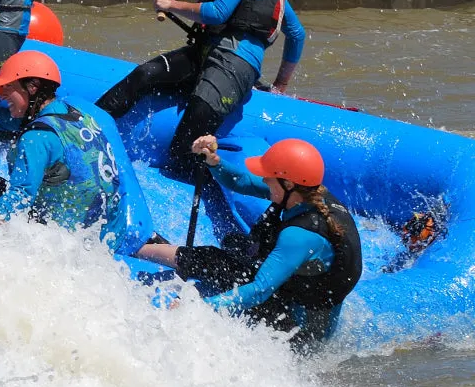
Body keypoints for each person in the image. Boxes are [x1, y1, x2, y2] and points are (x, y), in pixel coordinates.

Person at [96, 0, 305, 179]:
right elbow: (297, 33)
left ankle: (87, 132)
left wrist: (172, 5)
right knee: (145, 75)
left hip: (233, 65)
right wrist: (280, 85)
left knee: (184, 149)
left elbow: (218, 13)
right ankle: (89, 125)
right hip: (207, 55)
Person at [136, 135, 362, 349]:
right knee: (235, 244)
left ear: (289, 184)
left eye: (269, 177)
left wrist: (198, 307)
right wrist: (215, 162)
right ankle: (142, 249)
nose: (264, 180)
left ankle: (139, 248)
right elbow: (243, 182)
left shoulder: (299, 236)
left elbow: (258, 290)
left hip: (302, 326)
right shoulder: (306, 193)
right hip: (300, 285)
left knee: (217, 261)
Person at [0, 51, 128, 243]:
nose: (2, 95)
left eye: (9, 88)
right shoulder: (73, 115)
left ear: (32, 87)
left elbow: (21, 196)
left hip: (66, 242)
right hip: (107, 233)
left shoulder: (36, 137)